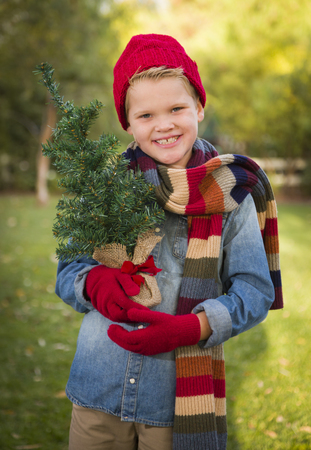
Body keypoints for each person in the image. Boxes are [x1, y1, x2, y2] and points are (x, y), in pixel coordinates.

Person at [55, 34, 283, 450]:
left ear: (199, 106)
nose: (163, 124)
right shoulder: (105, 188)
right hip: (97, 393)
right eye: (145, 115)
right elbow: (68, 270)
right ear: (127, 123)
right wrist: (93, 283)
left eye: (176, 108)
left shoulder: (231, 194)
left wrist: (191, 327)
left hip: (175, 407)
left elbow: (255, 290)